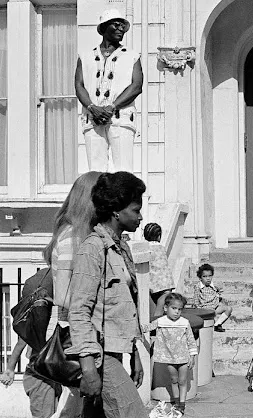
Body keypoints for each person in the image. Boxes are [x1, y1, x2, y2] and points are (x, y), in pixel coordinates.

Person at [67, 171, 146, 417]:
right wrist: (89, 369)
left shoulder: (120, 248)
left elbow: (124, 310)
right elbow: (79, 311)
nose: (141, 217)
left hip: (115, 351)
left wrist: (134, 353)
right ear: (116, 211)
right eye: (135, 210)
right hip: (99, 357)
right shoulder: (92, 248)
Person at [41, 170, 102, 417]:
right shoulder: (70, 238)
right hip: (72, 335)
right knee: (77, 406)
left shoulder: (84, 235)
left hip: (80, 333)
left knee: (81, 406)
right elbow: (64, 296)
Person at [75, 9, 143, 172]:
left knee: (123, 171)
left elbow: (136, 86)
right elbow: (79, 85)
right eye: (116, 25)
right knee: (95, 171)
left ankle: (123, 199)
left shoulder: (132, 56)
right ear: (104, 27)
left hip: (121, 118)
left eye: (123, 27)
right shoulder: (85, 56)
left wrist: (112, 107)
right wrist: (91, 107)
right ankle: (98, 198)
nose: (121, 29)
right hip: (93, 119)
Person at [0, 268, 62, 418]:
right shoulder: (42, 316)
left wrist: (10, 368)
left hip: (50, 375)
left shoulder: (43, 317)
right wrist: (9, 368)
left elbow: (21, 343)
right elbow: (22, 342)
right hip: (40, 375)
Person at [142, 292, 197, 416]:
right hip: (169, 357)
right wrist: (136, 327)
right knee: (174, 379)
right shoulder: (161, 321)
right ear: (166, 308)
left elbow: (191, 340)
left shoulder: (184, 322)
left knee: (182, 380)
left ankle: (181, 404)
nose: (177, 312)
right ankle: (176, 401)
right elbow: (147, 328)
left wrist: (193, 356)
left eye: (179, 309)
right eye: (174, 308)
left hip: (183, 357)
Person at [144, 222, 176, 318]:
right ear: (158, 236)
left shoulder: (145, 247)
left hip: (150, 279)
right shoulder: (160, 247)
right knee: (164, 297)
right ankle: (157, 317)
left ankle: (153, 318)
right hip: (163, 280)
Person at [192, 263, 233, 332]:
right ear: (200, 278)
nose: (208, 278)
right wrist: (197, 308)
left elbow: (219, 292)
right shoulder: (198, 286)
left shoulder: (214, 285)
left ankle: (217, 324)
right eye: (204, 276)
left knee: (228, 308)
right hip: (204, 310)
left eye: (210, 276)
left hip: (214, 308)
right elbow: (196, 299)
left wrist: (218, 295)